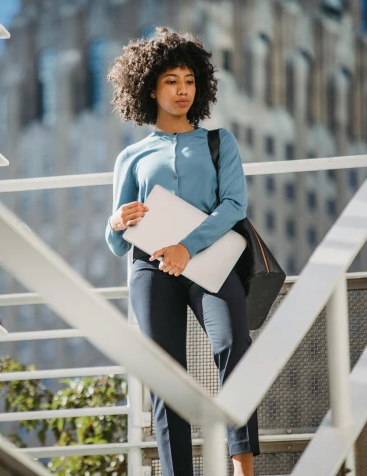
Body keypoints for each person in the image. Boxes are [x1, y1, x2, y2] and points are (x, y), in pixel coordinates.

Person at [104, 27, 259, 476]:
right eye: (171, 81)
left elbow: (234, 205)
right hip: (149, 269)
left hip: (208, 260)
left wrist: (186, 248)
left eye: (189, 80)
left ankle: (242, 466)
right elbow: (117, 241)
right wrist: (116, 221)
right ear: (150, 86)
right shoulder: (132, 157)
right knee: (166, 378)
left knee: (234, 345)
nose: (182, 90)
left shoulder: (218, 142)